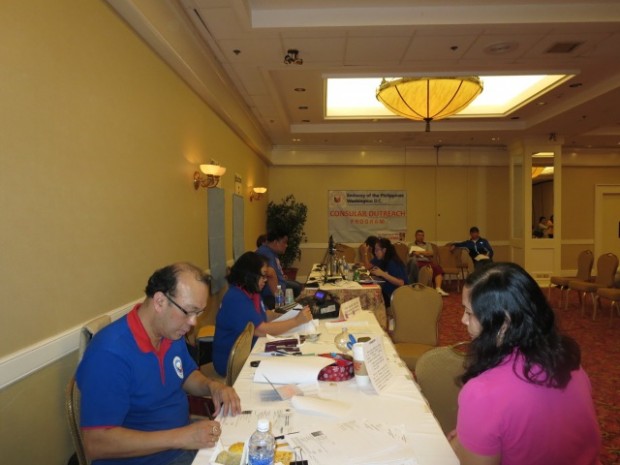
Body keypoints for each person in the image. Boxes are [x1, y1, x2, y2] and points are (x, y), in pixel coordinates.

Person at [76, 263, 242, 465]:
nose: (193, 323)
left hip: (181, 444)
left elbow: (185, 375)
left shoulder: (170, 332)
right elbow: (96, 444)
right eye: (188, 312)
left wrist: (212, 386)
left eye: (198, 313)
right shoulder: (109, 354)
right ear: (160, 301)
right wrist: (182, 437)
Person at [450, 262, 601, 465]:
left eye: (469, 313)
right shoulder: (570, 363)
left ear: (504, 323)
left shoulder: (482, 392)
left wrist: (459, 443)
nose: (463, 320)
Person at [212, 252, 313, 377]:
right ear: (251, 275)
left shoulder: (252, 292)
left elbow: (264, 315)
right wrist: (296, 321)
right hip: (231, 363)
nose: (265, 280)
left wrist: (286, 314)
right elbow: (261, 330)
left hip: (250, 350)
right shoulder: (236, 298)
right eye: (263, 276)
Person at [256, 229, 302, 308]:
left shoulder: (271, 251)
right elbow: (270, 276)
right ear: (275, 242)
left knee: (297, 286)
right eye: (284, 242)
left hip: (280, 286)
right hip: (270, 295)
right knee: (297, 288)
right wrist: (280, 299)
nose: (286, 245)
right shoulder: (265, 254)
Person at [369, 237, 409, 305]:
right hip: (388, 292)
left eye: (377, 250)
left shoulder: (393, 262)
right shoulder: (383, 260)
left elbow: (401, 283)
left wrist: (382, 274)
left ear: (384, 250)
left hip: (396, 296)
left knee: (371, 299)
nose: (375, 253)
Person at [410, 229, 449, 296]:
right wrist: (425, 252)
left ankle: (438, 288)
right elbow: (412, 253)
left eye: (422, 235)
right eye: (419, 235)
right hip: (417, 262)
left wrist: (419, 252)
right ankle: (422, 288)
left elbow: (431, 253)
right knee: (421, 268)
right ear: (415, 236)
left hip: (427, 262)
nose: (421, 237)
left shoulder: (428, 244)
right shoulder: (411, 244)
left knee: (437, 268)